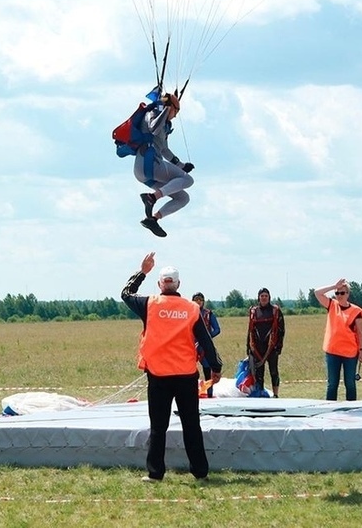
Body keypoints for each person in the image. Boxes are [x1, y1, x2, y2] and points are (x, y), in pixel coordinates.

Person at [121, 252, 223, 482]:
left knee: (158, 426)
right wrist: (215, 367)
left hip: (158, 376)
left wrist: (142, 272)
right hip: (186, 375)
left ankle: (155, 473)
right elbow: (206, 340)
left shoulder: (149, 304)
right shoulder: (191, 309)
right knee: (191, 425)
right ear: (179, 284)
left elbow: (125, 294)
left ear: (159, 284)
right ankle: (200, 472)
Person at [136, 92, 195, 238]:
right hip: (147, 163)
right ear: (170, 108)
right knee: (188, 180)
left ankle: (153, 219)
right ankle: (151, 198)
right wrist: (166, 109)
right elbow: (153, 128)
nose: (175, 116)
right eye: (176, 111)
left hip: (149, 172)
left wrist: (181, 165)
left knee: (183, 198)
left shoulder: (165, 125)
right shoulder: (152, 113)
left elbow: (164, 150)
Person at [314, 279, 362, 401]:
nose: (339, 296)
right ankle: (329, 411)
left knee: (350, 384)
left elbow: (360, 332)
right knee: (332, 384)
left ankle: (352, 410)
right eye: (337, 293)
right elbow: (317, 292)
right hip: (332, 352)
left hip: (350, 353)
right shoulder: (331, 305)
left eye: (342, 293)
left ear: (348, 294)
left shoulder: (356, 311)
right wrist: (334, 286)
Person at [245, 288, 285, 397]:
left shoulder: (275, 311)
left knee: (274, 372)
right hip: (257, 348)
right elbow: (250, 330)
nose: (263, 298)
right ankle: (260, 394)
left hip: (272, 347)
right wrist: (248, 347)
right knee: (259, 374)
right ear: (258, 297)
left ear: (269, 297)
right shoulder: (254, 311)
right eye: (262, 296)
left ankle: (276, 395)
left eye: (266, 296)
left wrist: (279, 347)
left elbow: (281, 330)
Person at [192, 292, 221, 398]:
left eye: (200, 299)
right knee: (190, 372)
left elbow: (217, 329)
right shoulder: (188, 313)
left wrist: (206, 338)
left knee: (207, 371)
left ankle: (209, 394)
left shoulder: (209, 314)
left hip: (205, 347)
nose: (198, 301)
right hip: (191, 346)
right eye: (196, 300)